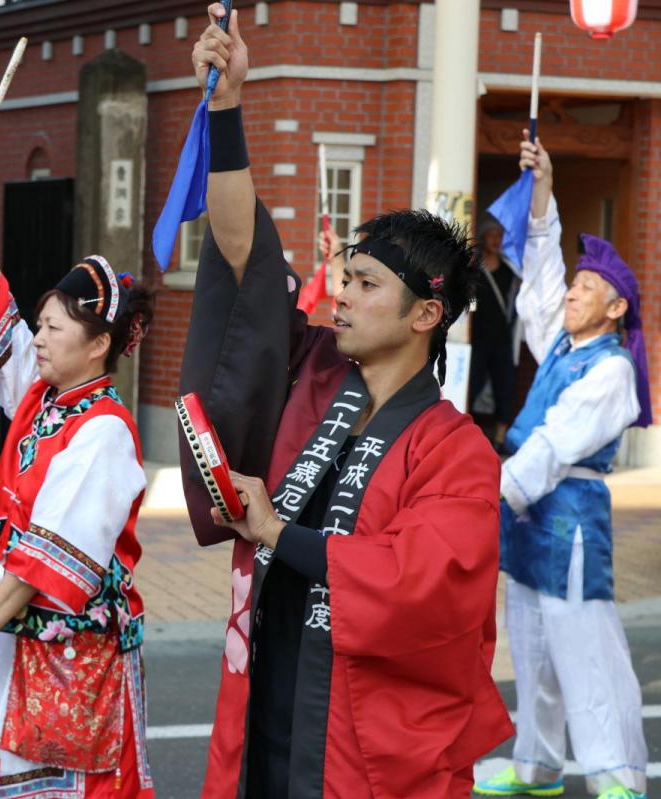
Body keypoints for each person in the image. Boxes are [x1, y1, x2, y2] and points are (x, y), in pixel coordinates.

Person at [179, 6, 513, 797]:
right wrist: (227, 108)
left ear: (426, 314)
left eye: (367, 285)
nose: (342, 295)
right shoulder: (319, 375)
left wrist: (274, 530)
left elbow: (418, 584)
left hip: (368, 745)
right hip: (269, 701)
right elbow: (246, 257)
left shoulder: (456, 451)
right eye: (346, 277)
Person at [0, 127, 155, 797]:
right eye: (40, 324)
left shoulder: (104, 431)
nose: (36, 337)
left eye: (54, 328)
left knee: (68, 787)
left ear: (97, 347)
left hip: (67, 648)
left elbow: (50, 549)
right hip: (23, 631)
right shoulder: (43, 398)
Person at [473, 137, 650, 799]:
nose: (572, 293)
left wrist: (492, 491)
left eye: (588, 287)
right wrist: (541, 192)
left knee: (586, 650)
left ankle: (617, 776)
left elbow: (554, 442)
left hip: (568, 514)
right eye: (576, 284)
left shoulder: (609, 370)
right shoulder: (561, 346)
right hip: (528, 507)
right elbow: (540, 287)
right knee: (535, 647)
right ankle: (538, 765)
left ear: (616, 308)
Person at [468, 214, 521, 448]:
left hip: (502, 339)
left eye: (499, 236)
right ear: (482, 238)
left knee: (504, 386)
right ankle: (465, 430)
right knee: (473, 384)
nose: (495, 240)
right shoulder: (473, 269)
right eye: (491, 235)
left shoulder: (510, 272)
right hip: (477, 338)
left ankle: (500, 436)